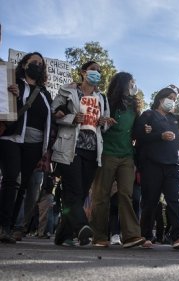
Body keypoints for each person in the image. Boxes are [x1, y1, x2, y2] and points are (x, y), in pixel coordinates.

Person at [51, 61, 110, 246]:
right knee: (73, 190)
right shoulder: (67, 91)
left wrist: (103, 122)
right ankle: (82, 227)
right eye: (93, 70)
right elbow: (53, 112)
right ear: (83, 72)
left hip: (93, 150)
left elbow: (105, 123)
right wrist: (71, 118)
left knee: (81, 192)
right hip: (71, 147)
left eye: (99, 71)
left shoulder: (102, 97)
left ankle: (63, 235)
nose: (96, 73)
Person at [133, 85, 179, 249]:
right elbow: (137, 134)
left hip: (173, 166)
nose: (172, 101)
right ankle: (146, 235)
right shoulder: (148, 115)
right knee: (150, 201)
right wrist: (159, 135)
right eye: (170, 98)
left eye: (175, 99)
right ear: (160, 98)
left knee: (174, 200)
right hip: (152, 165)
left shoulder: (174, 118)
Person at [0, 52, 52, 243]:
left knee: (22, 187)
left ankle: (11, 228)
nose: (37, 65)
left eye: (41, 63)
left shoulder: (45, 93)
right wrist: (11, 94)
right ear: (24, 65)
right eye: (34, 62)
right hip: (13, 137)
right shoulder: (13, 84)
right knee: (11, 178)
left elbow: (51, 118)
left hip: (35, 145)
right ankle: (3, 225)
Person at [90, 72, 145, 248]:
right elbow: (97, 122)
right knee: (101, 195)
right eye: (131, 81)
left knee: (126, 195)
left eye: (134, 81)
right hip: (107, 153)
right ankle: (98, 236)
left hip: (127, 156)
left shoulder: (135, 106)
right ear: (122, 84)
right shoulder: (106, 101)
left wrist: (146, 130)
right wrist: (104, 121)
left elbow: (135, 132)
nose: (134, 85)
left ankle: (131, 236)